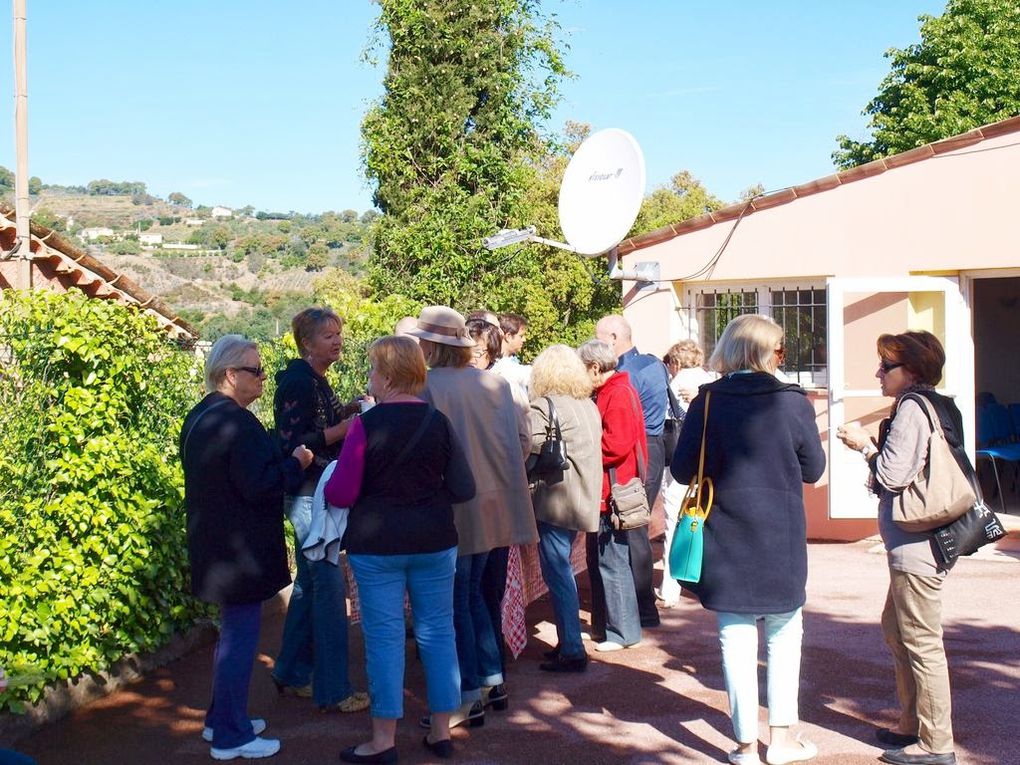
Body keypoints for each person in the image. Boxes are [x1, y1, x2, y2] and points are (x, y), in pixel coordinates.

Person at [670, 315, 825, 765]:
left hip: (726, 531)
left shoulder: (707, 401)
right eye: (780, 350)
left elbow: (682, 470)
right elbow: (813, 470)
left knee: (734, 637)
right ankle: (780, 739)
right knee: (784, 633)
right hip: (781, 534)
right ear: (766, 353)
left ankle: (742, 744)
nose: (783, 358)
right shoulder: (792, 402)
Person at [325, 336, 475, 764]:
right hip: (434, 540)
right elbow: (464, 487)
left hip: (378, 546)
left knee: (385, 638)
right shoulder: (438, 422)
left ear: (387, 378)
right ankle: (441, 733)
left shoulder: (365, 426)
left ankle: (383, 741)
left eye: (373, 370)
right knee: (438, 633)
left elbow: (341, 492)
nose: (370, 377)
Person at [180, 334, 313, 761]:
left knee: (232, 637)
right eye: (255, 371)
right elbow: (261, 485)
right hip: (240, 553)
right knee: (240, 640)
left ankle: (222, 719)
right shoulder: (236, 423)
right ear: (230, 374)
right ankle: (231, 735)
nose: (262, 379)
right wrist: (297, 463)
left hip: (215, 547)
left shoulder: (201, 416)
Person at [408, 306, 538, 726]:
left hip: (454, 508)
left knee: (457, 604)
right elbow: (518, 443)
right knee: (480, 597)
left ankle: (467, 695)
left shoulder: (428, 387)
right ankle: (490, 679)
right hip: (496, 506)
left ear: (431, 345)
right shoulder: (495, 384)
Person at [836, 331, 960, 765]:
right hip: (923, 541)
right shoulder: (937, 403)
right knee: (897, 628)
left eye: (886, 366)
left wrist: (863, 446)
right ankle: (913, 725)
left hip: (917, 545)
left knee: (921, 640)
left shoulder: (912, 408)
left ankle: (935, 744)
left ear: (911, 370)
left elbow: (891, 475)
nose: (878, 373)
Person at [271, 307, 369, 714]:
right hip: (310, 496)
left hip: (315, 495)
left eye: (338, 332)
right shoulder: (298, 382)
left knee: (311, 587)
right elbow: (298, 442)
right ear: (307, 343)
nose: (337, 339)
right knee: (329, 591)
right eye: (328, 334)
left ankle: (292, 673)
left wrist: (344, 411)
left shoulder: (313, 381)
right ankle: (334, 689)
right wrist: (344, 428)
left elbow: (318, 427)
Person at [528, 345, 603, 672]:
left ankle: (572, 647)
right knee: (563, 573)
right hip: (581, 499)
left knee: (558, 574)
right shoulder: (587, 405)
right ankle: (568, 641)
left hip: (555, 501)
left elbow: (527, 450)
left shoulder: (543, 406)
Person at [595, 314, 668, 628]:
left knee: (634, 525)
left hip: (639, 448)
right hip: (652, 444)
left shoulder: (625, 374)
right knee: (637, 525)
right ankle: (641, 606)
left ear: (612, 338)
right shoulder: (653, 363)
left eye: (599, 339)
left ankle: (640, 607)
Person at [576, 339, 644, 653]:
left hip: (612, 492)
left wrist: (584, 450)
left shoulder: (616, 393)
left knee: (612, 562)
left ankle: (622, 632)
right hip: (610, 490)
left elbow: (617, 443)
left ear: (594, 368)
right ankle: (610, 628)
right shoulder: (616, 390)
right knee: (605, 560)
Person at [658, 340, 718, 608]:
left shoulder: (677, 382)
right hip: (710, 462)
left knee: (676, 520)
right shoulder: (710, 381)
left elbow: (665, 418)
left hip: (681, 461)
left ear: (676, 361)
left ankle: (671, 587)